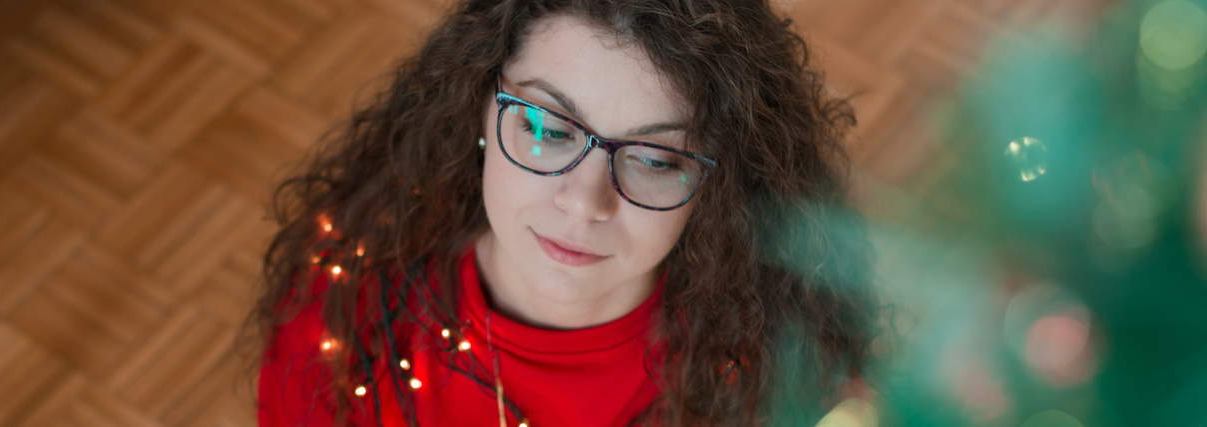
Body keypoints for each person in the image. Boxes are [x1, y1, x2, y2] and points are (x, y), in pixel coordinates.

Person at [251, 0, 882, 426]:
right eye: (545, 126)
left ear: (720, 184)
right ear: (478, 105)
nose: (584, 201)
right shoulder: (346, 321)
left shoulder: (779, 357)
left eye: (656, 159)